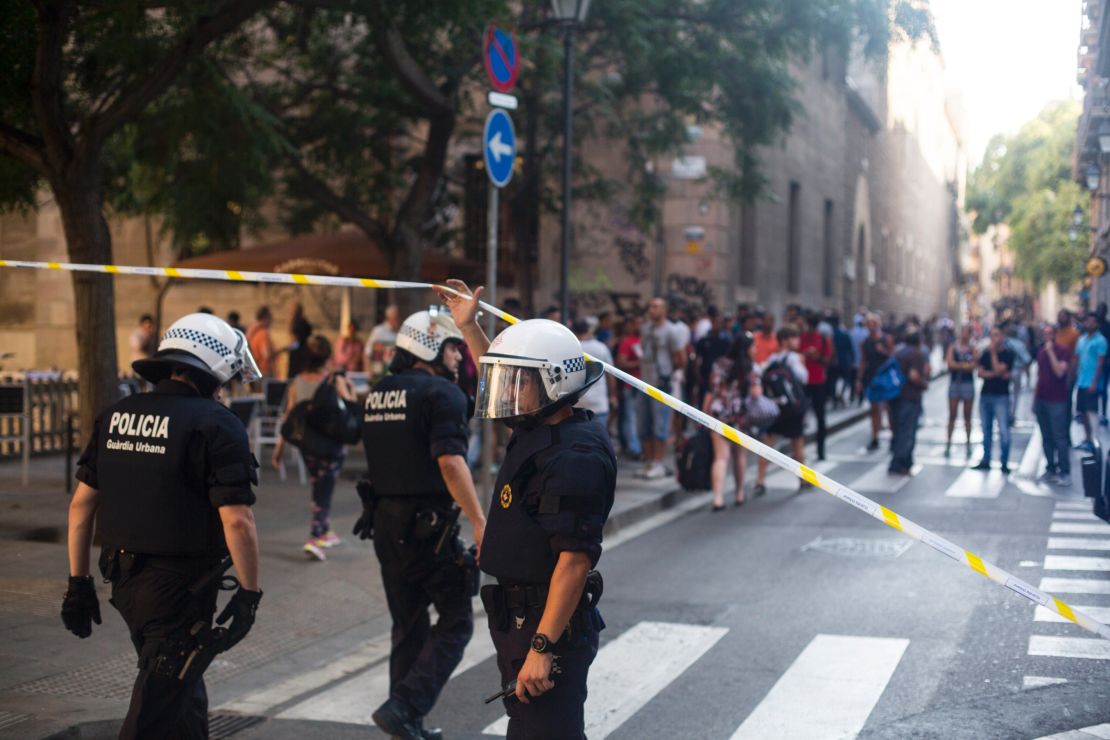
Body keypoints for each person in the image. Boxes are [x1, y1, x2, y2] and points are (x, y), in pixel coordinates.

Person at [62, 313, 262, 740]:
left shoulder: (116, 415)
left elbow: (81, 505)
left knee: (184, 693)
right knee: (155, 705)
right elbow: (238, 521)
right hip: (178, 590)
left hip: (123, 581)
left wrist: (77, 582)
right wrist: (249, 592)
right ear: (215, 367)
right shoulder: (217, 423)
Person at [436, 279, 614, 740]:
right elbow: (502, 376)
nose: (507, 393)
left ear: (554, 382)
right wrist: (471, 326)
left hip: (547, 624)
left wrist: (542, 646)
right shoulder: (541, 427)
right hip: (519, 616)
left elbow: (574, 561)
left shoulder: (576, 457)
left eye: (519, 383)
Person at [357, 308, 486, 740]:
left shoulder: (379, 393)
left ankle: (404, 722)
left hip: (384, 527)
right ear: (428, 345)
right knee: (456, 621)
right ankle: (406, 706)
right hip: (428, 529)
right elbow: (450, 462)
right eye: (452, 346)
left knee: (408, 624)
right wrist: (479, 519)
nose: (457, 355)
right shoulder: (442, 394)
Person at [272, 335, 355, 561]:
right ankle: (314, 537)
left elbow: (289, 416)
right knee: (323, 491)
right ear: (327, 358)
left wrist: (279, 448)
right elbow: (348, 408)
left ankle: (325, 530)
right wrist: (348, 389)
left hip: (307, 445)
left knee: (320, 485)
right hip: (331, 445)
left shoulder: (297, 381)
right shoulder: (331, 381)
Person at [703, 333, 758, 510]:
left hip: (719, 414)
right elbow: (756, 394)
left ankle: (717, 498)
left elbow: (711, 390)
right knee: (739, 456)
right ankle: (739, 493)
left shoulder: (719, 364)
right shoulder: (750, 368)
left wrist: (704, 413)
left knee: (720, 457)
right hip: (739, 416)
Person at [754, 326, 809, 494]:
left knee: (768, 443)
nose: (797, 341)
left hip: (777, 408)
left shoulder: (772, 359)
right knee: (797, 444)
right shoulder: (794, 358)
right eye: (794, 337)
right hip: (793, 409)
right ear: (786, 340)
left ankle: (760, 480)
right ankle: (802, 479)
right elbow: (804, 378)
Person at [639, 297, 686, 479]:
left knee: (660, 425)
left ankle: (658, 462)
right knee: (644, 424)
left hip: (661, 383)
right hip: (644, 382)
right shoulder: (646, 329)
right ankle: (649, 461)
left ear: (664, 310)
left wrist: (669, 373)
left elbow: (680, 357)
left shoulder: (671, 331)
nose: (652, 309)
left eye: (656, 306)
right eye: (650, 306)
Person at [1034, 324, 1074, 486]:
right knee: (1046, 436)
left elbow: (1059, 372)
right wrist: (1034, 400)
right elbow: (1039, 376)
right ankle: (1050, 468)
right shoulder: (1040, 352)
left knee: (1059, 436)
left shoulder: (1062, 352)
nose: (1047, 337)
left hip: (1057, 400)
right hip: (1042, 399)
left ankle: (1064, 471)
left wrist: (1050, 352)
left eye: (1050, 334)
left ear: (1055, 335)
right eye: (1045, 334)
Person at [888, 327, 930, 475]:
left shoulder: (898, 352)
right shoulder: (917, 354)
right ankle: (901, 463)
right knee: (907, 431)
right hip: (910, 396)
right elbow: (913, 375)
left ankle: (897, 460)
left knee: (898, 429)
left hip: (895, 396)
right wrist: (923, 384)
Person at [973, 327, 1016, 473]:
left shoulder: (1008, 353)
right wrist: (994, 373)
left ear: (1002, 336)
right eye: (992, 336)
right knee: (986, 429)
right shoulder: (984, 353)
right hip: (986, 395)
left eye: (996, 335)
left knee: (1003, 429)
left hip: (1001, 396)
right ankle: (986, 459)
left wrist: (992, 355)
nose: (994, 339)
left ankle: (1004, 461)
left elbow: (999, 370)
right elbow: (980, 373)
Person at [856, 314, 893, 451]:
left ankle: (893, 437)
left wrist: (883, 351)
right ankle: (875, 437)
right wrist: (859, 380)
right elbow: (863, 361)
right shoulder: (865, 342)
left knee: (889, 409)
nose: (871, 326)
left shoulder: (886, 339)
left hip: (885, 377)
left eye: (873, 323)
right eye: (869, 323)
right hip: (871, 377)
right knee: (874, 409)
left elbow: (892, 356)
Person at [573, 319, 617, 433]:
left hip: (577, 403)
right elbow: (610, 375)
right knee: (599, 439)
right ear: (588, 330)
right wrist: (613, 396)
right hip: (599, 403)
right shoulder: (601, 347)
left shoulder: (572, 348)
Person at [800, 313, 833, 461]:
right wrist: (805, 354)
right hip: (803, 381)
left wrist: (817, 356)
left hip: (819, 381)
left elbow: (828, 360)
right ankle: (800, 451)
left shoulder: (824, 339)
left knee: (821, 417)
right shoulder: (801, 337)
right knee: (800, 417)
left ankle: (821, 450)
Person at [1075, 312, 1108, 451]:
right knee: (1083, 412)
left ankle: (1095, 440)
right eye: (1087, 321)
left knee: (1091, 411)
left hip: (1092, 382)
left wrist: (1095, 382)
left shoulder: (1100, 341)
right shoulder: (1082, 339)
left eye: (1092, 322)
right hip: (1082, 381)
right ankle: (1087, 438)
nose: (1089, 324)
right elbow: (1077, 359)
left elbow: (1100, 363)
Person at [944, 325, 977, 458]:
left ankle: (968, 444)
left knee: (967, 416)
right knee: (952, 415)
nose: (964, 335)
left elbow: (973, 365)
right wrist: (964, 366)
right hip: (955, 384)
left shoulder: (973, 349)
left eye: (967, 333)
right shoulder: (953, 348)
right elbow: (950, 364)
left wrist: (960, 366)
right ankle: (948, 443)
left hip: (967, 384)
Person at [615, 315, 644, 460]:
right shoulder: (627, 343)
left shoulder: (645, 341)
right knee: (631, 417)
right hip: (631, 386)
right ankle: (634, 447)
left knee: (640, 418)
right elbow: (621, 362)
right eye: (638, 323)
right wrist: (640, 364)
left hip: (645, 386)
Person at [366, 304, 402, 383]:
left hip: (394, 375)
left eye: (398, 317)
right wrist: (368, 371)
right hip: (379, 374)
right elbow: (367, 352)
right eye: (395, 318)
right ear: (389, 318)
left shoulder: (401, 332)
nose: (397, 320)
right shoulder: (378, 331)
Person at [247, 306, 277, 378]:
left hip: (255, 371)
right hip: (264, 372)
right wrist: (282, 350)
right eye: (270, 317)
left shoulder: (252, 331)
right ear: (265, 317)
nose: (272, 320)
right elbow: (266, 355)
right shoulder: (263, 333)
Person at [285, 303, 313, 378]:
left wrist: (282, 350)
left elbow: (295, 343)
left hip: (297, 355)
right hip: (304, 352)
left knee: (294, 377)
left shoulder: (297, 324)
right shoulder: (305, 323)